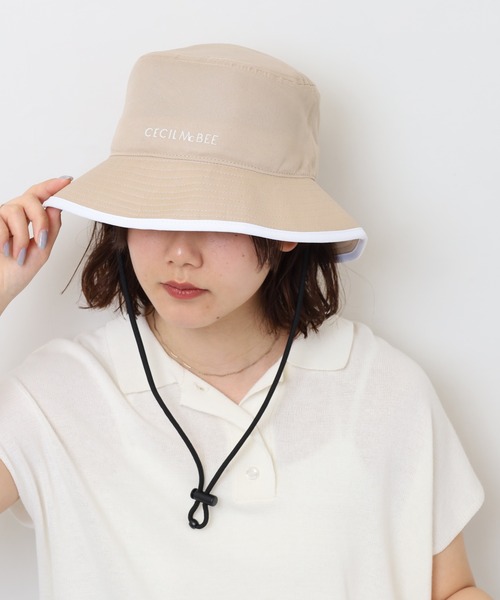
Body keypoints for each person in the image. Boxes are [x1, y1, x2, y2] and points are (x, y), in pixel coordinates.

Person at [0, 44, 491, 600]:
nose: (180, 253)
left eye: (216, 217)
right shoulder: (60, 393)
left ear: (286, 230)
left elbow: (451, 590)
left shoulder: (383, 388)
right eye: (153, 212)